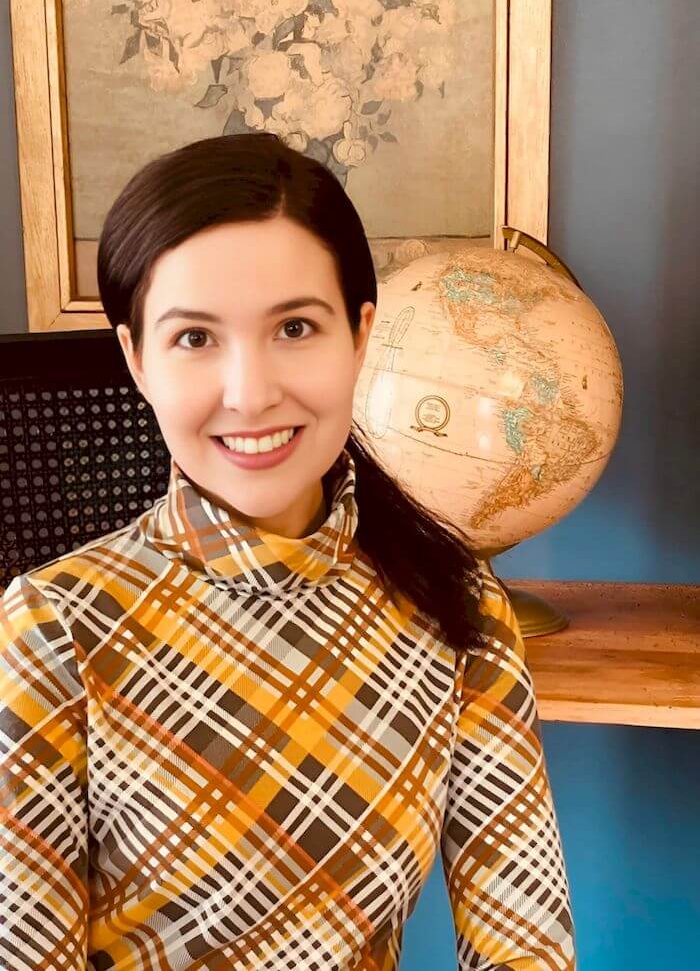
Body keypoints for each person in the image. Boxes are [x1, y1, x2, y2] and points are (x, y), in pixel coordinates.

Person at [0, 133, 576, 970]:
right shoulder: (52, 628)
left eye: (296, 327)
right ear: (136, 359)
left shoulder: (463, 610)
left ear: (360, 333)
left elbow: (526, 943)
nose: (251, 392)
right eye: (195, 338)